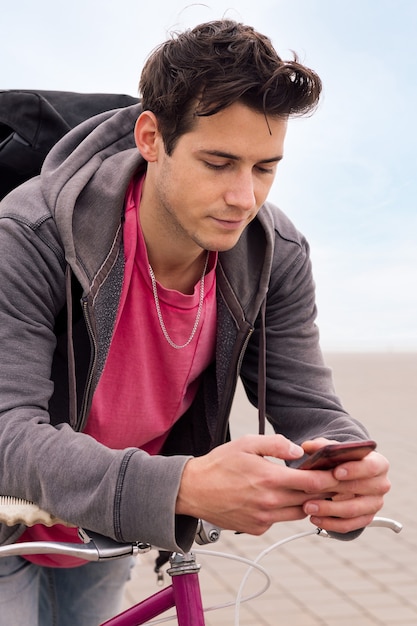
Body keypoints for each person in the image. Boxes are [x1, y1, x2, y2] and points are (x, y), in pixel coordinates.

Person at [0, 19, 390, 625]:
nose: (244, 197)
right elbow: (6, 433)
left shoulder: (274, 251)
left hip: (108, 515)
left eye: (265, 168)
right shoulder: (30, 235)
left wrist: (342, 463)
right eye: (219, 162)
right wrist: (181, 487)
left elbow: (306, 402)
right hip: (9, 514)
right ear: (152, 138)